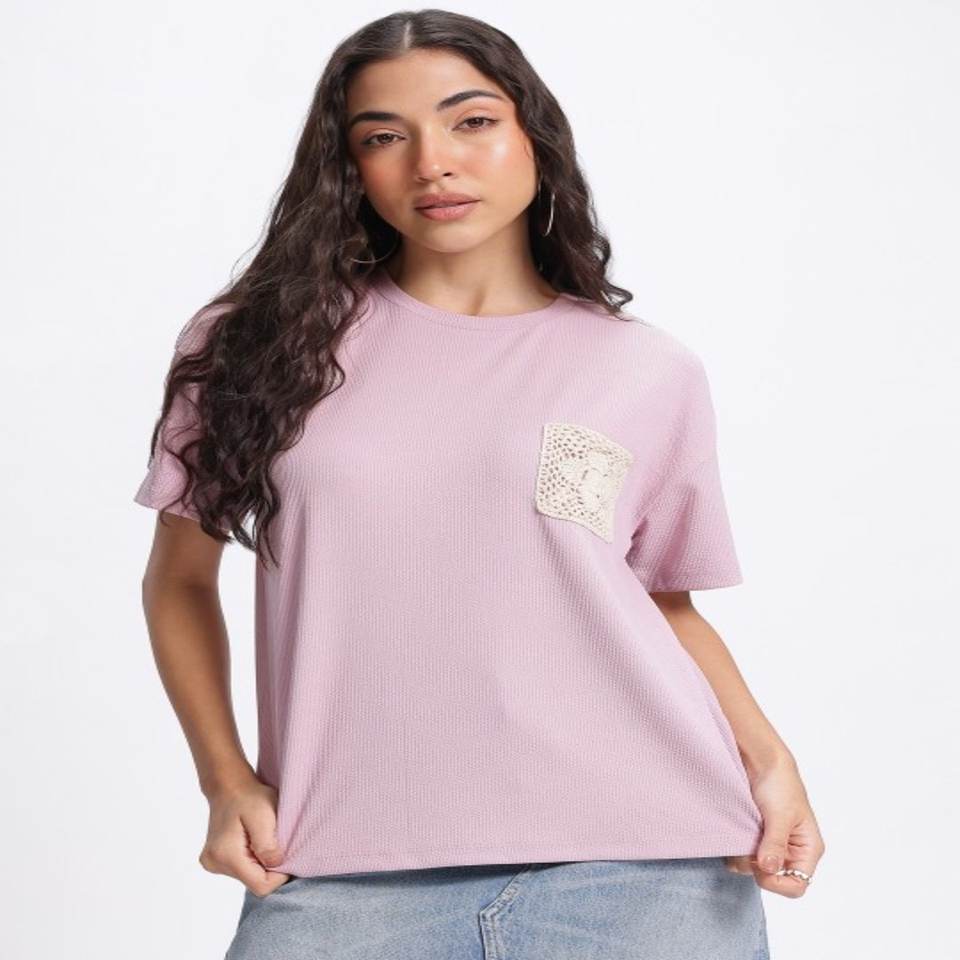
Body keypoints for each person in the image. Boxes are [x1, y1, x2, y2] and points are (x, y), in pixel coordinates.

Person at [133, 10, 824, 959]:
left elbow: (658, 603)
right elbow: (178, 581)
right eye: (384, 137)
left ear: (534, 136)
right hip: (342, 873)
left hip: (648, 872)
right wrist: (225, 780)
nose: (433, 163)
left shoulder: (643, 371)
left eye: (472, 121)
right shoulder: (255, 345)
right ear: (349, 167)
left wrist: (772, 763)